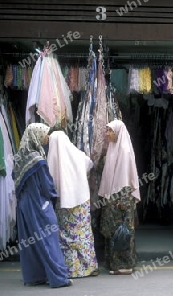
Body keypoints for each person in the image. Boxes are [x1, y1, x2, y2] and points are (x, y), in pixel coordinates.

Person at [12, 123, 72, 288]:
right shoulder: (37, 160)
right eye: (45, 134)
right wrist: (54, 196)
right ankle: (59, 278)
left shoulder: (19, 158)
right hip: (39, 204)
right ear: (36, 136)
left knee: (30, 241)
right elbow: (47, 186)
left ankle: (34, 277)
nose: (47, 138)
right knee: (49, 239)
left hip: (23, 205)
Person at [47, 130, 99, 278]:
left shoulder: (52, 158)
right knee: (83, 234)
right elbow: (89, 163)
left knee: (66, 236)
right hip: (81, 201)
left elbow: (50, 181)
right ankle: (88, 267)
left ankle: (72, 269)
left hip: (63, 203)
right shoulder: (78, 155)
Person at [98, 119, 140, 275]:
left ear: (117, 132)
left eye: (110, 130)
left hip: (122, 197)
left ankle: (125, 265)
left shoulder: (124, 150)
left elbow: (126, 177)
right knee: (112, 230)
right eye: (107, 130)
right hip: (112, 197)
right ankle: (113, 263)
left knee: (122, 230)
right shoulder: (112, 148)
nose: (107, 133)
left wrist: (123, 199)